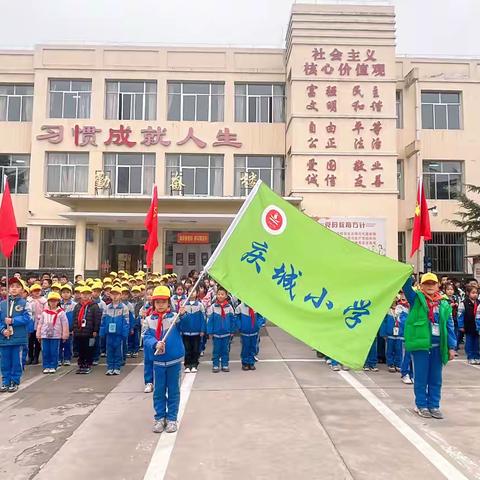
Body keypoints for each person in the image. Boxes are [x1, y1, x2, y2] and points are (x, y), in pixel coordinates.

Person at [403, 273, 457, 419]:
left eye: (433, 283)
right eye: (426, 284)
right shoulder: (416, 299)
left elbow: (449, 326)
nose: (430, 286)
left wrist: (451, 347)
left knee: (435, 379)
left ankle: (434, 405)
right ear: (421, 286)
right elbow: (406, 287)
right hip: (421, 346)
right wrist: (408, 273)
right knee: (421, 378)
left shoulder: (444, 303)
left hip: (438, 347)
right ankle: (421, 405)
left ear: (438, 285)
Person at [144, 286, 185, 434]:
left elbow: (185, 328)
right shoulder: (148, 320)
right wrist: (155, 343)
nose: (160, 304)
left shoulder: (175, 317)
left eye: (164, 301)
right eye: (157, 302)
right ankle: (160, 418)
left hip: (174, 361)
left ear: (169, 302)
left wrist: (184, 316)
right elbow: (146, 337)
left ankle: (172, 418)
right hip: (158, 362)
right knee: (159, 391)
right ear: (153, 303)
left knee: (174, 390)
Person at [0, 278, 32, 392]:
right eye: (12, 286)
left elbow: (28, 318)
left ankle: (15, 380)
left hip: (18, 339)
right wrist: (3, 330)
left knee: (16, 361)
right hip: (4, 339)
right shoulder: (2, 304)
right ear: (8, 289)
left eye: (17, 286)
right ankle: (5, 381)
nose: (14, 289)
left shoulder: (25, 303)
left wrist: (13, 321)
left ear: (22, 290)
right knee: (4, 361)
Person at [37, 292, 69, 374]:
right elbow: (40, 324)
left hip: (56, 335)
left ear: (58, 302)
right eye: (51, 301)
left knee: (54, 351)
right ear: (48, 302)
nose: (53, 303)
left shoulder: (61, 312)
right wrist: (39, 334)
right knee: (45, 351)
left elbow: (65, 324)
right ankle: (46, 366)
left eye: (55, 301)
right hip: (45, 335)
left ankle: (53, 365)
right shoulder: (44, 312)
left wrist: (64, 335)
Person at [100, 286, 129, 375]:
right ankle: (110, 367)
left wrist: (125, 333)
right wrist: (102, 331)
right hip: (109, 333)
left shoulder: (124, 307)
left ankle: (117, 367)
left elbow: (126, 321)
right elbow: (103, 320)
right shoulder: (107, 307)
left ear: (120, 295)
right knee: (109, 350)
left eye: (117, 294)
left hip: (119, 333)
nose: (115, 296)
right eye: (113, 294)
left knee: (118, 350)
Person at [72, 286, 102, 374]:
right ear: (80, 295)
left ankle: (88, 364)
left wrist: (95, 330)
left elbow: (97, 319)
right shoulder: (77, 306)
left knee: (89, 348)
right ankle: (81, 364)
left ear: (90, 295)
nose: (85, 296)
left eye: (87, 294)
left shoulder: (94, 306)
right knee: (80, 349)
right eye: (83, 294)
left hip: (89, 332)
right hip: (79, 332)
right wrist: (74, 329)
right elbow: (75, 319)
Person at [207, 286, 236, 373]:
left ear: (226, 296)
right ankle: (215, 365)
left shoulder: (229, 307)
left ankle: (225, 364)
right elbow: (210, 320)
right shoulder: (213, 307)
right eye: (218, 294)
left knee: (225, 350)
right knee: (216, 350)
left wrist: (232, 330)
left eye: (222, 294)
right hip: (216, 334)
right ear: (216, 295)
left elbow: (232, 320)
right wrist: (210, 331)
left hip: (226, 333)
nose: (220, 296)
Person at [181, 287, 206, 373]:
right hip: (186, 332)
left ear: (197, 293)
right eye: (189, 291)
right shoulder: (183, 304)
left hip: (196, 332)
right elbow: (180, 318)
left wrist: (202, 330)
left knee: (196, 349)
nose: (191, 293)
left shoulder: (200, 305)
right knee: (187, 349)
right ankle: (187, 365)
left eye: (194, 291)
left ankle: (194, 364)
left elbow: (203, 319)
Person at [235, 302, 263, 371]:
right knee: (245, 348)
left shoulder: (257, 306)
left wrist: (258, 325)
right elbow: (237, 318)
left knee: (253, 347)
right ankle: (245, 363)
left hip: (254, 332)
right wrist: (240, 326)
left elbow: (261, 317)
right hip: (244, 332)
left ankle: (251, 362)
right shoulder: (240, 307)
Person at [457, 286, 479, 365]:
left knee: (477, 343)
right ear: (468, 293)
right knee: (469, 342)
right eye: (473, 293)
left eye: (476, 293)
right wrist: (461, 325)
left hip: (477, 326)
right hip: (468, 326)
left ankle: (477, 357)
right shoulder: (464, 303)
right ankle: (470, 357)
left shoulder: (478, 303)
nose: (475, 295)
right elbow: (460, 315)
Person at [27, 283, 46, 365]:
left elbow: (45, 311)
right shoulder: (28, 300)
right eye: (35, 291)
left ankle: (36, 357)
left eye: (38, 290)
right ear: (31, 292)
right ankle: (30, 357)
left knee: (37, 340)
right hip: (31, 322)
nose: (37, 292)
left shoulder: (44, 301)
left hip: (39, 322)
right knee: (30, 341)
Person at [59, 285, 76, 366]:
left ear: (71, 293)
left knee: (68, 344)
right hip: (58, 328)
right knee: (59, 344)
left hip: (69, 328)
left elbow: (75, 317)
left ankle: (67, 358)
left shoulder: (74, 305)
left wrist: (73, 328)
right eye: (63, 292)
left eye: (68, 292)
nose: (65, 294)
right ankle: (58, 358)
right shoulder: (58, 303)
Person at [385, 300, 402, 373]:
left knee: (399, 350)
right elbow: (384, 323)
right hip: (390, 334)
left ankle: (398, 364)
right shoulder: (387, 310)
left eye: (395, 301)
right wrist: (384, 333)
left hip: (400, 334)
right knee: (389, 350)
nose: (394, 303)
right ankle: (390, 364)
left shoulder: (401, 309)